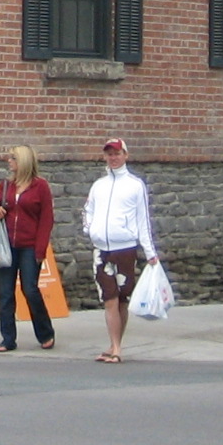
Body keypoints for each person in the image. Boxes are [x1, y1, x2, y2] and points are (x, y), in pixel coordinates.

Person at [80, 136, 156, 363]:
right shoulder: (98, 186)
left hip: (125, 249)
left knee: (122, 299)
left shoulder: (135, 185)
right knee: (109, 298)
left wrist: (150, 252)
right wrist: (90, 229)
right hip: (101, 250)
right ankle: (114, 346)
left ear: (125, 155)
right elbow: (88, 210)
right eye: (109, 154)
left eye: (117, 154)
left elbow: (143, 220)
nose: (113, 158)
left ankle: (116, 345)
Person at [0, 145, 55, 352]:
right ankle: (7, 338)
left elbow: (46, 220)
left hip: (30, 246)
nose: (9, 161)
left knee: (30, 289)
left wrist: (40, 250)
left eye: (13, 158)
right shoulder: (7, 185)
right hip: (8, 245)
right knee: (6, 292)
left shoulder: (40, 187)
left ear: (23, 161)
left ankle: (45, 332)